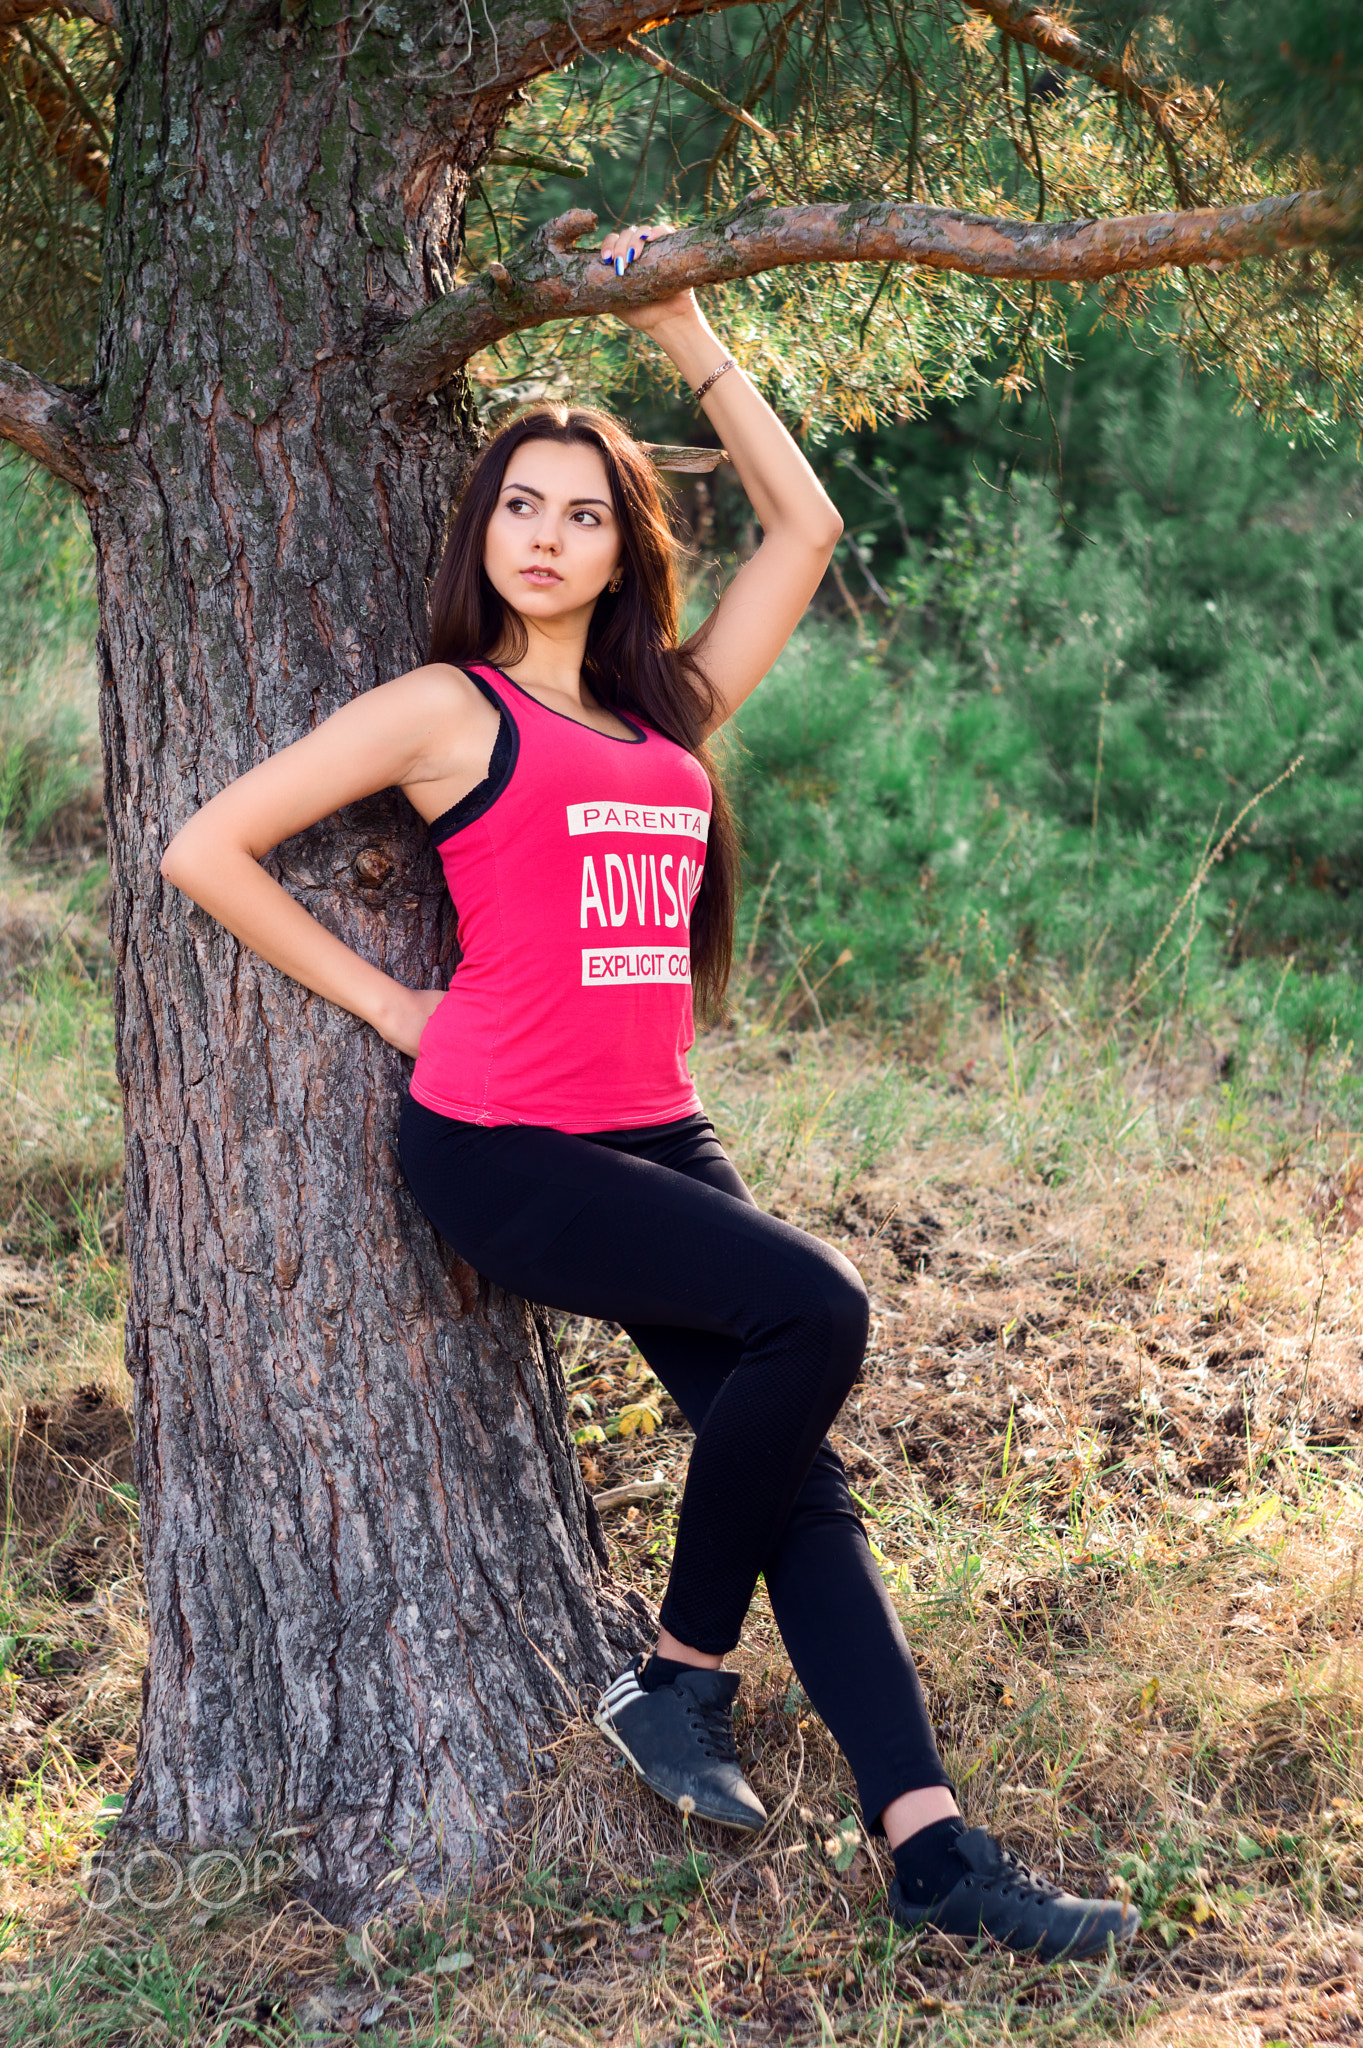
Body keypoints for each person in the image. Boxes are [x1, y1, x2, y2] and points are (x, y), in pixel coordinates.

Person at [158, 220, 1139, 1964]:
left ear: (623, 549)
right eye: (521, 506)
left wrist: (683, 319)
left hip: (647, 1128)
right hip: (503, 1142)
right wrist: (395, 1001)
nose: (548, 535)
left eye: (584, 512)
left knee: (799, 1482)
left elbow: (810, 526)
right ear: (483, 535)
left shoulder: (664, 718)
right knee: (818, 1308)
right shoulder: (443, 711)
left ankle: (933, 1858)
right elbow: (206, 846)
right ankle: (680, 1673)